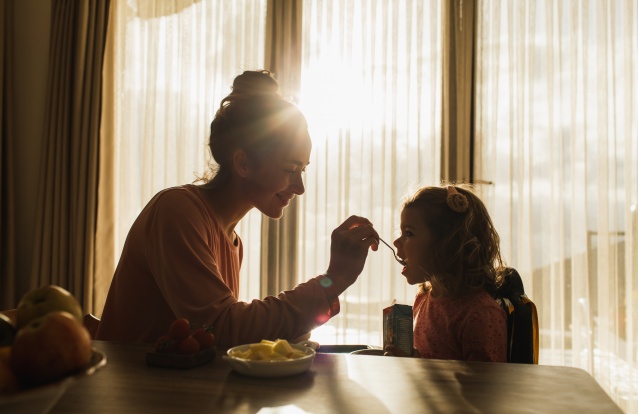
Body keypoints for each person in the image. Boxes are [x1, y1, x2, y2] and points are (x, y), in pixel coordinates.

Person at [96, 70, 379, 348]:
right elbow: (222, 329)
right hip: (130, 380)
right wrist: (334, 279)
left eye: (302, 170)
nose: (299, 187)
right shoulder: (176, 211)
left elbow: (217, 339)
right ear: (243, 163)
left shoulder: (232, 242)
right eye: (290, 169)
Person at [386, 185, 507, 362]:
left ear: (448, 245)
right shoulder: (423, 299)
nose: (396, 242)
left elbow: (485, 380)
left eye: (409, 233)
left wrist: (414, 364)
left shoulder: (480, 314)